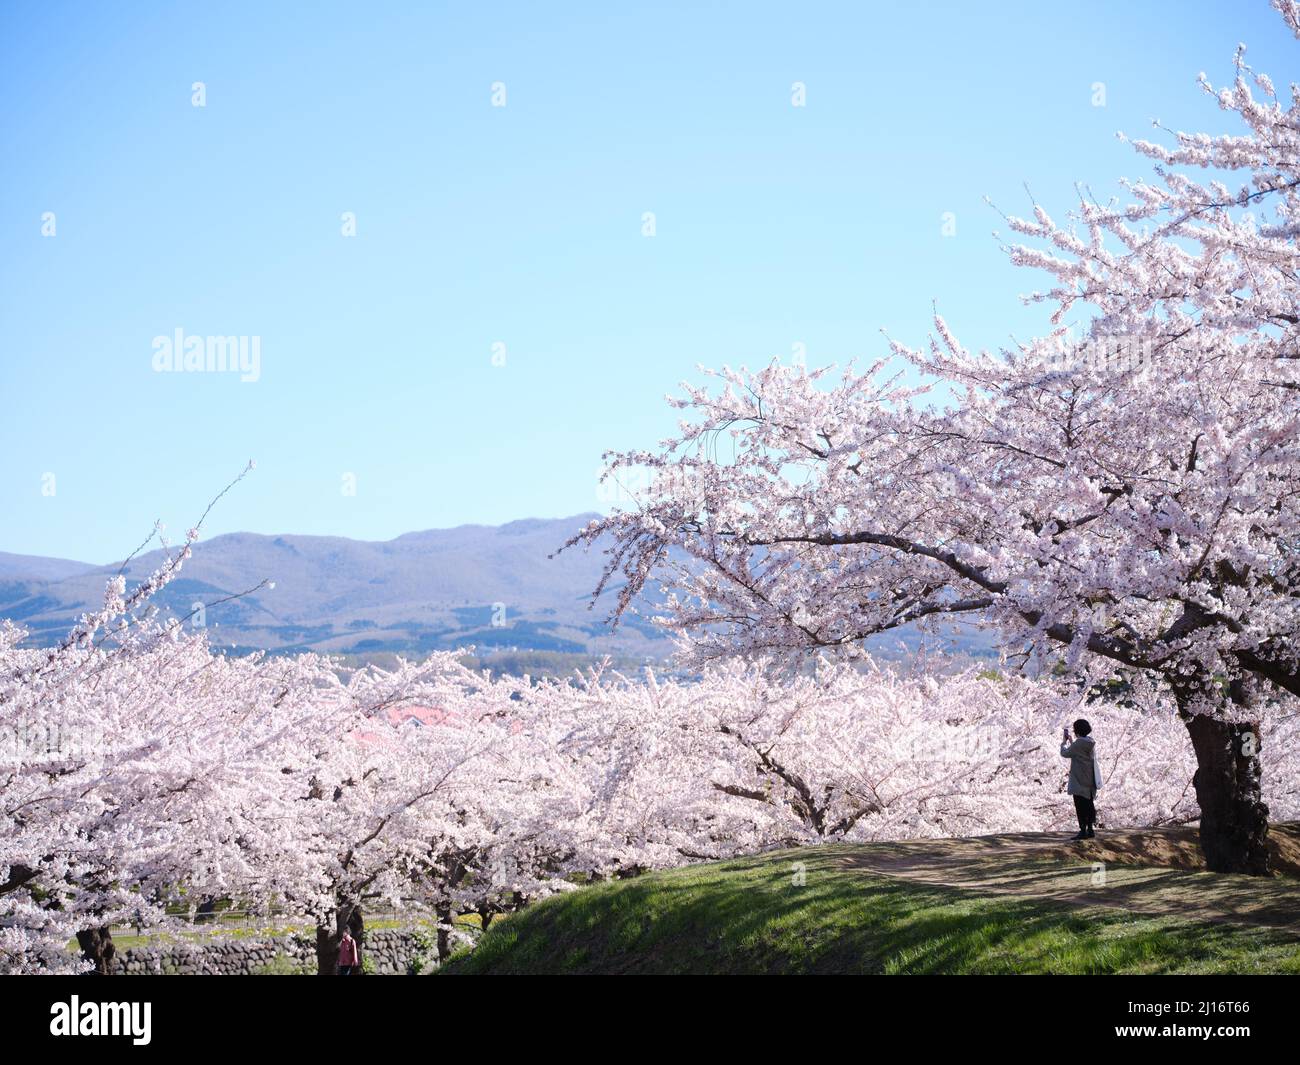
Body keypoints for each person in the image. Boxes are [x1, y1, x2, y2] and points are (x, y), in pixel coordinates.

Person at [1060, 718, 1101, 841]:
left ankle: (1083, 830)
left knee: (1080, 804)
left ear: (1076, 730)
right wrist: (1073, 742)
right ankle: (1090, 829)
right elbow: (1079, 752)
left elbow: (1066, 753)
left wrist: (1064, 742)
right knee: (1088, 804)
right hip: (1089, 778)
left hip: (1079, 779)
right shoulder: (1090, 742)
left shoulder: (1079, 744)